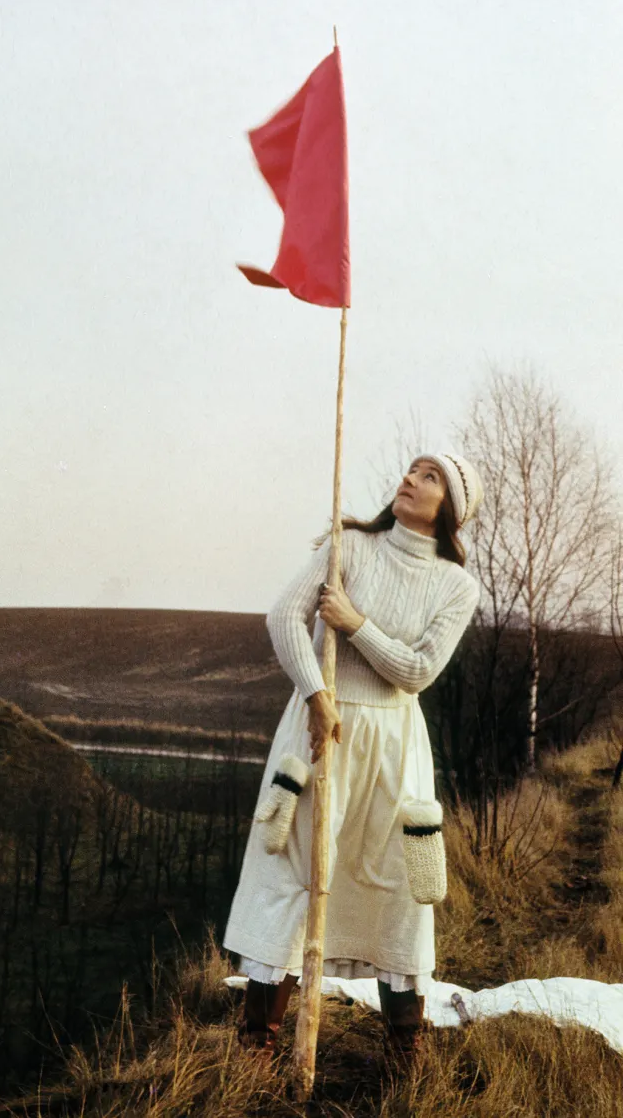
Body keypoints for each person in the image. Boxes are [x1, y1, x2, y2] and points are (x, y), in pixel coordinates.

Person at [223, 452, 483, 1057]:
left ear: (451, 509)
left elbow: (416, 671)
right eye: (411, 470)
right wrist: (317, 696)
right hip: (322, 732)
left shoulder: (456, 585)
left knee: (395, 882)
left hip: (395, 747)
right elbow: (284, 616)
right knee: (292, 869)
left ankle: (403, 1049)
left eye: (429, 475)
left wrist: (353, 622)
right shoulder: (349, 547)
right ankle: (257, 1044)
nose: (409, 480)